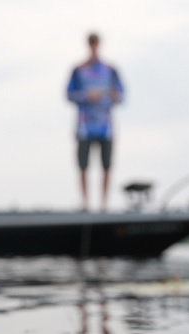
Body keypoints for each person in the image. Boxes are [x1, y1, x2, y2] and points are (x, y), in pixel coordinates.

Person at [66, 32, 125, 211]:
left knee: (106, 166)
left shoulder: (111, 70)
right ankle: (86, 205)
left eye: (96, 43)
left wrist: (110, 96)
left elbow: (121, 95)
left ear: (99, 44)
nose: (93, 46)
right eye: (91, 43)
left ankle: (103, 205)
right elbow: (68, 94)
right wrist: (86, 96)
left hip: (106, 127)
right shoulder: (78, 70)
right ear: (87, 45)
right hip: (84, 127)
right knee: (83, 166)